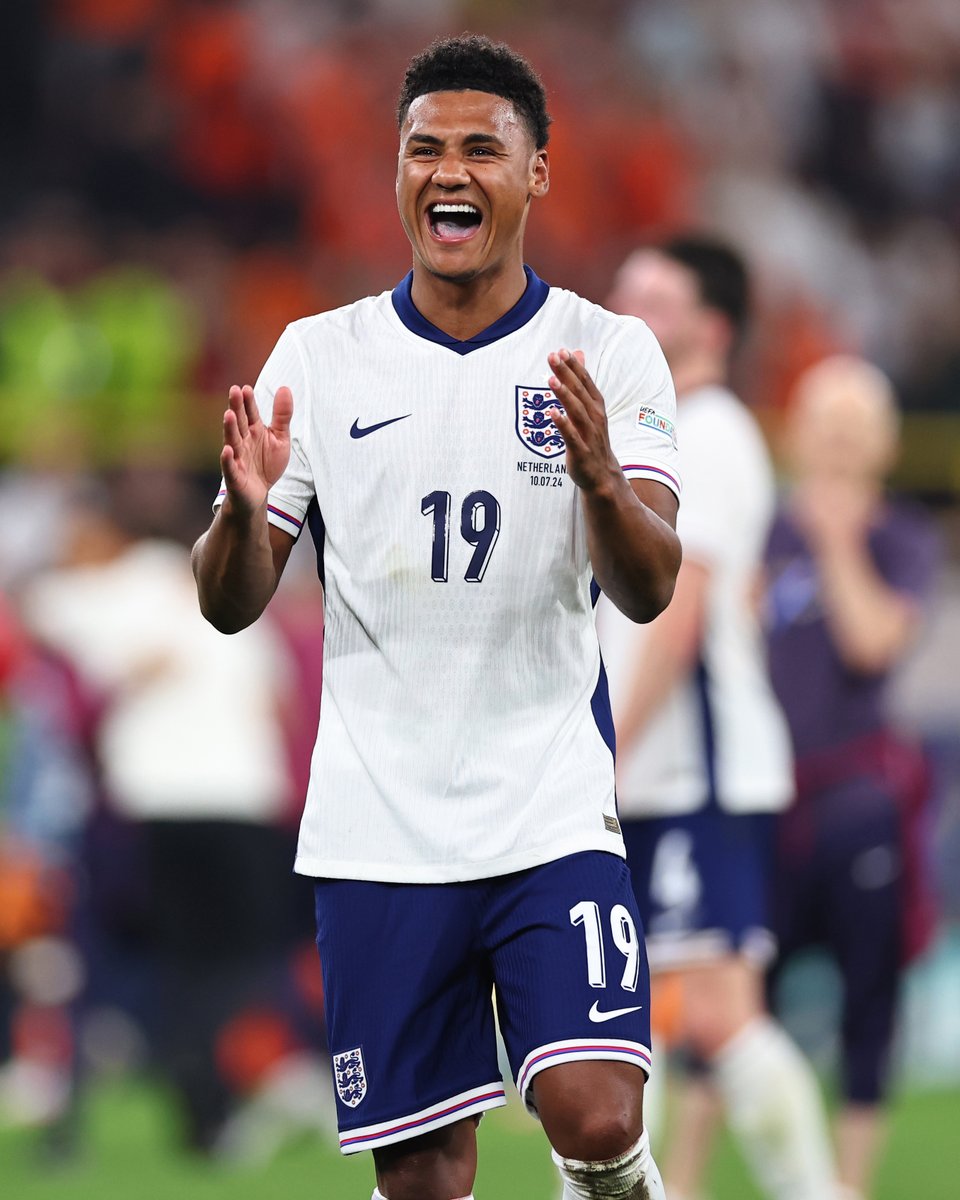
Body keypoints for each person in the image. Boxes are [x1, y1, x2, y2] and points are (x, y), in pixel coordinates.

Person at [192, 34, 683, 1200]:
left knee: (598, 1112)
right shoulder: (320, 356)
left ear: (536, 173)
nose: (448, 171)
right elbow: (230, 603)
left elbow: (650, 585)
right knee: (424, 1180)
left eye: (480, 148)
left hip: (549, 803)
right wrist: (241, 518)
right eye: (424, 149)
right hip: (377, 825)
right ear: (396, 170)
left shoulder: (608, 352)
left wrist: (604, 479)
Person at [597, 236, 837, 1200]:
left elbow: (683, 611)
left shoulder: (712, 431)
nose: (629, 304)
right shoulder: (642, 434)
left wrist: (604, 746)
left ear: (712, 328)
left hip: (692, 762)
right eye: (624, 286)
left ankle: (816, 1191)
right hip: (656, 765)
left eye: (656, 293)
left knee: (713, 1012)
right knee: (637, 1012)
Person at [764, 356, 941, 1200]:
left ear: (884, 443)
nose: (835, 444)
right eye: (823, 423)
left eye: (853, 427)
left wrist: (836, 538)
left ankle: (849, 1183)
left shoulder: (903, 537)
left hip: (858, 796)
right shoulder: (760, 528)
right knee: (727, 983)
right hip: (762, 793)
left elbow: (873, 642)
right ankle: (681, 1176)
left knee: (870, 992)